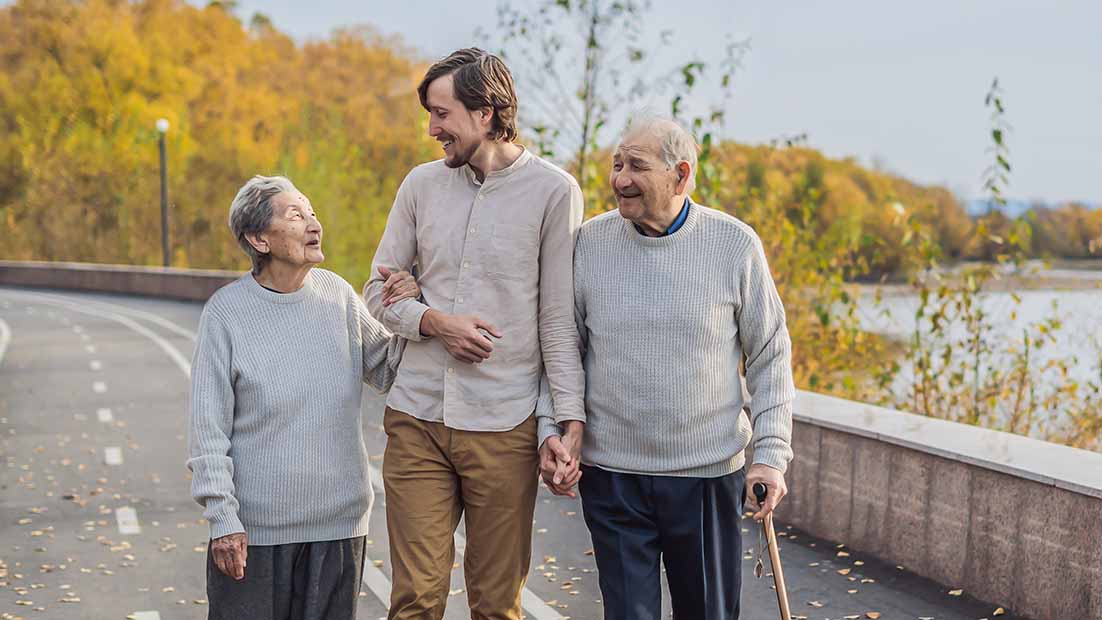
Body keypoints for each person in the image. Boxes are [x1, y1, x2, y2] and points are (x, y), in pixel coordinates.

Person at [541, 116, 796, 619]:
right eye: (617, 164)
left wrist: (770, 454)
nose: (620, 179)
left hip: (705, 475)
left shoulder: (733, 244)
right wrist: (552, 427)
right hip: (612, 474)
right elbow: (561, 347)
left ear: (681, 175)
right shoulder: (588, 243)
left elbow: (770, 354)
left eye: (636, 166)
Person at [362, 48, 586, 620]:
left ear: (486, 113)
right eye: (430, 115)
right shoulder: (420, 186)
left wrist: (568, 422)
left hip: (503, 426)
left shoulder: (554, 193)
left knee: (495, 605)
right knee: (413, 600)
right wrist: (435, 322)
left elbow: (558, 323)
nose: (432, 129)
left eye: (442, 114)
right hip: (417, 418)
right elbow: (374, 294)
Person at [187, 175, 418, 620]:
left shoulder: (337, 296)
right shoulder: (226, 314)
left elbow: (389, 368)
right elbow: (207, 429)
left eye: (312, 212)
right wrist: (223, 519)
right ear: (259, 238)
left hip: (339, 526)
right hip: (255, 535)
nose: (314, 224)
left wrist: (407, 307)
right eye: (296, 216)